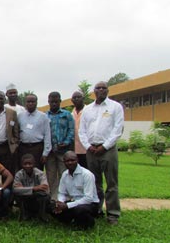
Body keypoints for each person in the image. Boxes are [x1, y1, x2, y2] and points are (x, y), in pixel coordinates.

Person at [79, 81, 124, 225]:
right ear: (94, 91)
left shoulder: (115, 107)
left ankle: (113, 214)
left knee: (111, 183)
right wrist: (88, 146)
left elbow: (118, 130)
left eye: (104, 88)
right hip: (91, 150)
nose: (101, 90)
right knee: (94, 182)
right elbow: (82, 130)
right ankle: (97, 209)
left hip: (108, 150)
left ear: (108, 90)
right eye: (98, 88)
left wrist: (104, 146)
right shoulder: (88, 109)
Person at [52, 151, 99, 229]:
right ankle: (72, 219)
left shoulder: (87, 174)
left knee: (80, 210)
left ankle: (89, 222)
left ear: (77, 160)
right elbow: (61, 193)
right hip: (73, 202)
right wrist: (60, 203)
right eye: (67, 161)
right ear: (64, 162)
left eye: (72, 160)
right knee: (51, 207)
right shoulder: (65, 174)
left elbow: (88, 199)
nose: (70, 163)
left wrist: (67, 205)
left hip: (90, 204)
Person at [45, 92, 74, 200]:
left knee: (65, 174)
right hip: (50, 152)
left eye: (56, 101)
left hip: (63, 151)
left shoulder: (67, 115)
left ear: (60, 101)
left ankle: (67, 199)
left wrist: (66, 142)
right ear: (48, 102)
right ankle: (53, 198)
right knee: (51, 176)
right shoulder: (45, 116)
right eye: (51, 102)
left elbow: (71, 130)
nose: (54, 104)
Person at [17, 94, 51, 170]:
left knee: (37, 170)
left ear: (36, 102)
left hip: (37, 148)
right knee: (23, 170)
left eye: (33, 101)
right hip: (23, 148)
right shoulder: (20, 116)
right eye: (28, 102)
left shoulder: (43, 116)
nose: (30, 103)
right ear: (25, 103)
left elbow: (47, 135)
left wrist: (45, 153)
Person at [13, 154, 50, 222]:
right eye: (25, 164)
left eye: (30, 164)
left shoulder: (40, 173)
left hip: (37, 197)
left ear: (34, 164)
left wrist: (23, 189)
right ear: (21, 164)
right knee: (17, 195)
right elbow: (16, 189)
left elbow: (45, 188)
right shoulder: (19, 174)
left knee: (44, 196)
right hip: (26, 197)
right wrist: (34, 189)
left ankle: (42, 216)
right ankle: (24, 215)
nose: (28, 166)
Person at [71, 91, 88, 168]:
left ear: (83, 98)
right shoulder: (71, 114)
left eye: (78, 97)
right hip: (75, 149)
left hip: (87, 148)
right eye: (74, 98)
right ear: (72, 100)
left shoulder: (89, 111)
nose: (76, 99)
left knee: (88, 171)